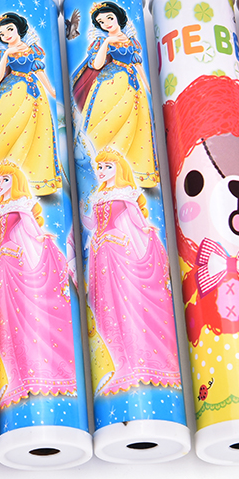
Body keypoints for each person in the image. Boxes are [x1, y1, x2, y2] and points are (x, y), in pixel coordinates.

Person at [82, 148, 181, 395]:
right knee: (106, 304)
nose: (102, 171)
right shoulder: (98, 195)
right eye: (100, 167)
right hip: (101, 256)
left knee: (125, 301)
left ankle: (140, 359)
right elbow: (93, 224)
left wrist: (144, 234)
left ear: (119, 168)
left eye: (108, 166)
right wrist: (83, 215)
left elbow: (137, 221)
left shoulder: (125, 193)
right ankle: (119, 359)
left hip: (119, 254)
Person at [0, 160, 76, 408]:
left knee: (24, 318)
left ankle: (42, 372)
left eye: (5, 180)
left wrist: (40, 236)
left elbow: (29, 228)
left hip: (15, 267)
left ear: (15, 181)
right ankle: (17, 376)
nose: (0, 184)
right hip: (2, 268)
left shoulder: (20, 205)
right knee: (5, 320)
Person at [73, 1, 158, 187]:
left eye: (109, 18)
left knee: (133, 126)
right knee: (107, 123)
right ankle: (101, 169)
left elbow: (138, 64)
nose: (106, 24)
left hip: (132, 86)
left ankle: (130, 174)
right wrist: (106, 42)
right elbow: (97, 65)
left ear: (118, 17)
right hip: (109, 85)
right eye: (101, 22)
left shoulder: (132, 41)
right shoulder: (102, 42)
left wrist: (148, 87)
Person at [0, 12, 61, 197]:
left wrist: (52, 91)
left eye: (9, 29)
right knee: (11, 133)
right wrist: (6, 55)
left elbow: (39, 72)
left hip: (34, 94)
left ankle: (35, 182)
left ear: (18, 28)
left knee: (37, 134)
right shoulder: (2, 53)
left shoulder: (32, 50)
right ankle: (6, 180)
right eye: (2, 34)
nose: (6, 35)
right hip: (11, 95)